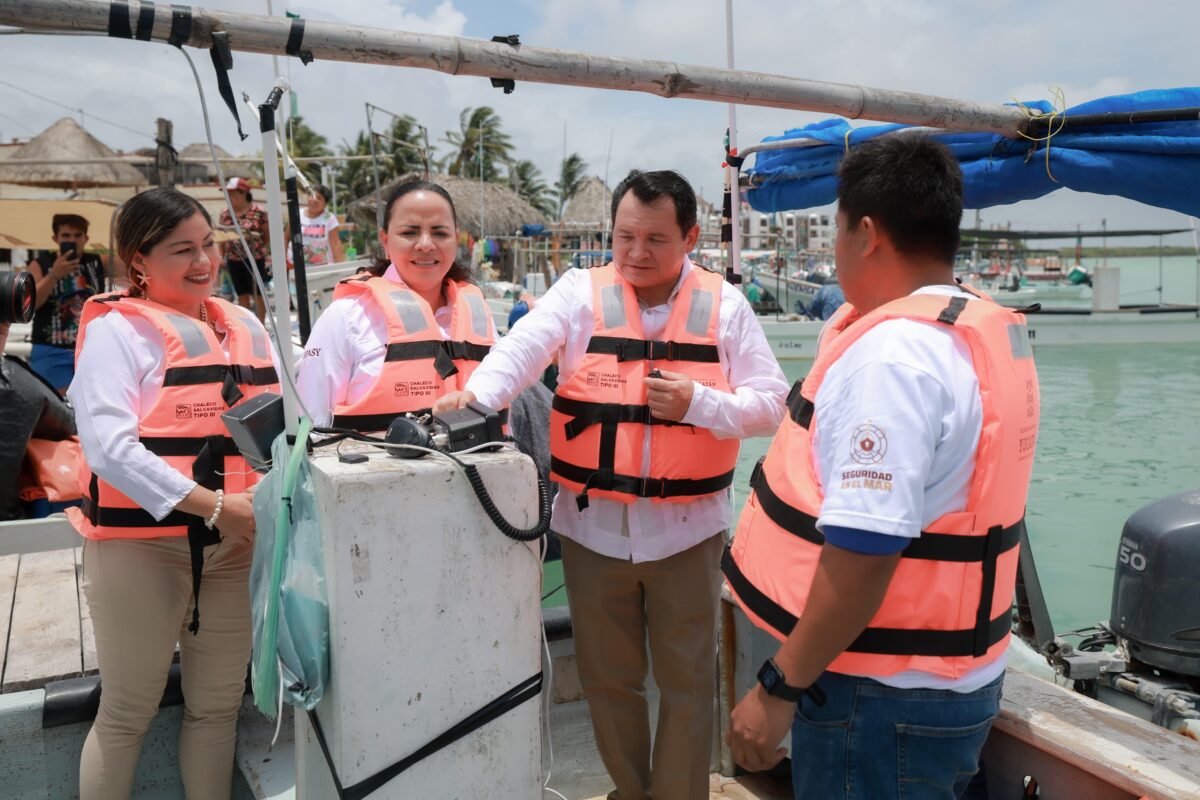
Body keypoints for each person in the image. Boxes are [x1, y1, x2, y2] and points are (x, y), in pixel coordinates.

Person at [436, 169, 789, 800]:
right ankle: (632, 790)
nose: (636, 253)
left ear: (690, 237)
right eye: (625, 236)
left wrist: (700, 404)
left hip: (689, 532)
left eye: (656, 239)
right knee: (607, 678)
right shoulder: (578, 292)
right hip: (592, 526)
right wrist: (476, 396)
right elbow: (520, 351)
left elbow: (771, 405)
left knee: (687, 682)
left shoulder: (727, 305)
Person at [724, 136, 1041, 799]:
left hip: (880, 700)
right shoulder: (966, 330)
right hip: (955, 682)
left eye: (837, 230)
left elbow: (865, 555)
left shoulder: (891, 361)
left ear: (866, 233)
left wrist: (778, 687)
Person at [66, 188, 280, 799]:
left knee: (215, 709)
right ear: (138, 261)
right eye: (181, 249)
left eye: (209, 244)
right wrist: (214, 505)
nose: (202, 262)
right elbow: (109, 447)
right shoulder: (119, 335)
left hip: (235, 545)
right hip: (143, 549)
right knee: (127, 712)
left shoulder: (244, 325)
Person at [296, 180, 497, 431]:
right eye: (409, 232)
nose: (425, 244)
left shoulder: (480, 317)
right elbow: (309, 424)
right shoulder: (346, 318)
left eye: (440, 233)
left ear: (456, 240)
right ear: (385, 240)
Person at [26, 213, 108, 391]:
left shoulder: (98, 261)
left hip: (90, 347)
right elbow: (31, 305)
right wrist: (54, 275)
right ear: (55, 238)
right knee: (53, 408)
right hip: (50, 349)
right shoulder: (40, 264)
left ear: (86, 238)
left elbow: (135, 265)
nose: (73, 240)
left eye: (78, 235)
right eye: (66, 236)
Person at [218, 176, 270, 320]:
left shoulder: (259, 212)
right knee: (241, 293)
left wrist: (264, 248)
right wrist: (220, 255)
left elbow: (267, 234)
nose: (229, 197)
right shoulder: (225, 213)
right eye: (228, 194)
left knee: (258, 293)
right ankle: (247, 325)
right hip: (234, 259)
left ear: (244, 194)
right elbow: (221, 237)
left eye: (233, 194)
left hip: (255, 258)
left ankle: (261, 324)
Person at [290, 184, 345, 269]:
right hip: (298, 269)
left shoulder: (329, 218)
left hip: (323, 269)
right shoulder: (297, 215)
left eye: (319, 198)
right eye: (311, 196)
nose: (314, 200)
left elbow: (336, 245)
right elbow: (286, 238)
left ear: (325, 204)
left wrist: (343, 270)